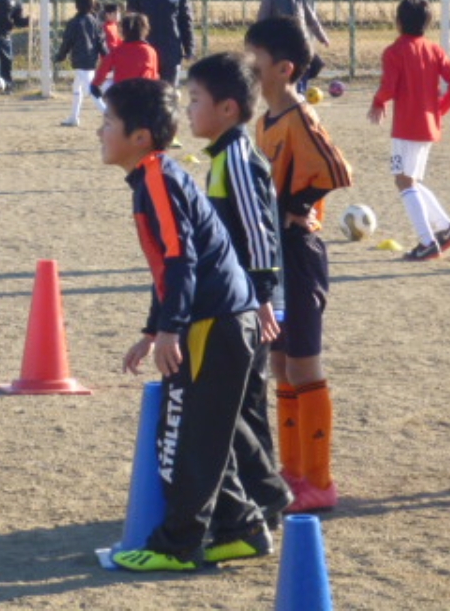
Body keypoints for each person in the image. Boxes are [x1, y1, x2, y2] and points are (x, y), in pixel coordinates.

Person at [102, 77, 273, 571]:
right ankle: (241, 528)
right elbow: (167, 267)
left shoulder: (157, 177)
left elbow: (181, 259)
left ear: (140, 137)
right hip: (217, 319)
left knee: (180, 438)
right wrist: (153, 329)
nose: (100, 132)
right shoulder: (152, 176)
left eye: (108, 122)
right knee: (201, 434)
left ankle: (176, 547)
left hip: (214, 323)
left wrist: (171, 329)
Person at [245, 17, 353, 513]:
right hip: (275, 258)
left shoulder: (300, 116)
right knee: (281, 362)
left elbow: (336, 169)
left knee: (304, 364)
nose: (247, 67)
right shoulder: (264, 121)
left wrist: (299, 207)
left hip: (299, 254)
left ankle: (320, 480)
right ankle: (292, 472)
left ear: (284, 68)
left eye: (255, 60)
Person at [185, 52, 294, 528]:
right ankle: (257, 496)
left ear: (227, 109)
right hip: (240, 301)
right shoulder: (221, 156)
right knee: (240, 402)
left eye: (195, 100)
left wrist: (264, 297)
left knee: (243, 403)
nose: (188, 110)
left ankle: (264, 497)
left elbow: (259, 232)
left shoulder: (236, 159)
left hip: (249, 306)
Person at [368, 0, 450, 261]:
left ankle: (427, 241)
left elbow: (389, 87)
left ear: (398, 22)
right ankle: (446, 228)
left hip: (407, 126)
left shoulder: (394, 51)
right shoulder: (434, 49)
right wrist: (439, 110)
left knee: (403, 180)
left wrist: (378, 101)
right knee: (410, 180)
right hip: (428, 126)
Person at [126, 0, 194, 87]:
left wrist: (189, 48)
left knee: (168, 92)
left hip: (171, 52)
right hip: (145, 53)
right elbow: (130, 24)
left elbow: (186, 22)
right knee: (147, 92)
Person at [257, 0, 330, 93]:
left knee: (310, 65)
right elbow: (262, 22)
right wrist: (262, 41)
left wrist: (322, 37)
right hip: (281, 43)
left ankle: (300, 91)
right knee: (287, 69)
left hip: (300, 41)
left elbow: (311, 20)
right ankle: (289, 93)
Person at [54, 0, 108, 127]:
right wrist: (106, 55)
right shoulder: (95, 21)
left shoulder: (74, 22)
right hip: (92, 59)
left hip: (80, 60)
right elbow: (101, 41)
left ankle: (109, 115)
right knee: (77, 88)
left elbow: (67, 42)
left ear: (76, 5)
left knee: (91, 90)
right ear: (92, 5)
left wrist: (60, 55)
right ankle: (74, 117)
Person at [89, 12, 159, 98]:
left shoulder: (118, 51)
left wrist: (95, 84)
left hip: (122, 94)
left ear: (123, 31)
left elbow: (103, 70)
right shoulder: (150, 51)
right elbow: (154, 76)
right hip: (144, 93)